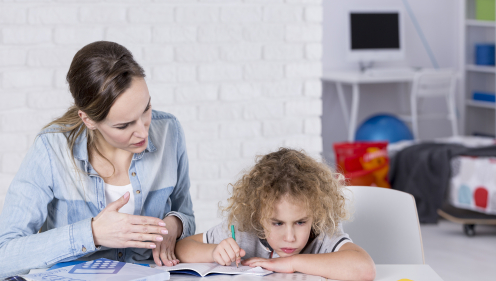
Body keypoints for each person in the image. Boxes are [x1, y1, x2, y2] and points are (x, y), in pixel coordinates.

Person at [0, 41, 194, 277]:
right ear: (88, 120)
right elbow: (5, 256)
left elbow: (186, 214)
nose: (144, 132)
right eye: (124, 125)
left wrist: (175, 225)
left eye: (146, 108)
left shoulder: (169, 130)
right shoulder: (51, 148)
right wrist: (91, 234)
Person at [175, 148, 376, 281]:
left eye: (300, 222)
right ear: (257, 215)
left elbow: (364, 269)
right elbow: (182, 248)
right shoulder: (245, 230)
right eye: (277, 223)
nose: (290, 237)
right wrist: (213, 252)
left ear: (315, 213)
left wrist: (290, 263)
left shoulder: (322, 231)